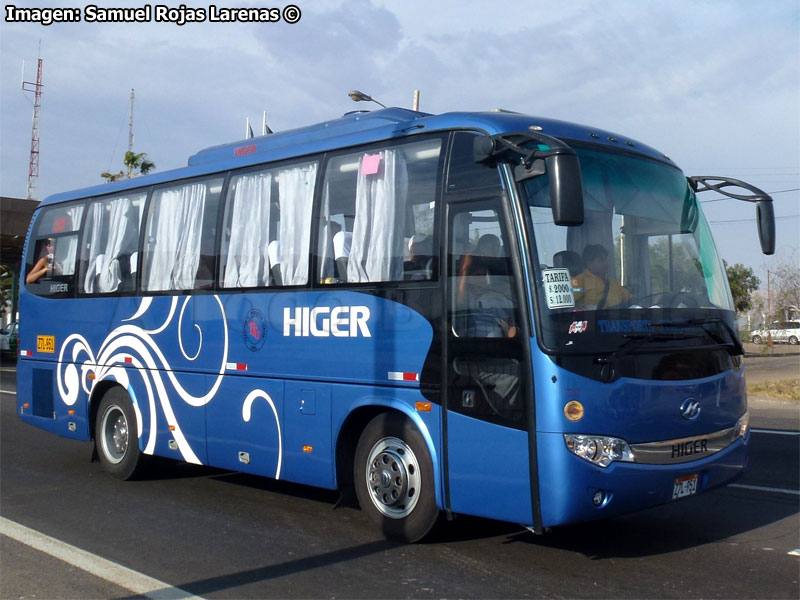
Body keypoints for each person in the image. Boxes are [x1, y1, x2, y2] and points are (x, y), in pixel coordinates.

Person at [459, 254, 517, 338]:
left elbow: (510, 330)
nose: (481, 280)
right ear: (469, 278)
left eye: (484, 276)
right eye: (477, 276)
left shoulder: (493, 299)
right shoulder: (464, 296)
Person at [572, 244, 632, 309]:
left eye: (606, 260)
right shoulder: (578, 281)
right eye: (601, 260)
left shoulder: (615, 284)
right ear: (589, 263)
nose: (606, 263)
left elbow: (632, 301)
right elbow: (568, 305)